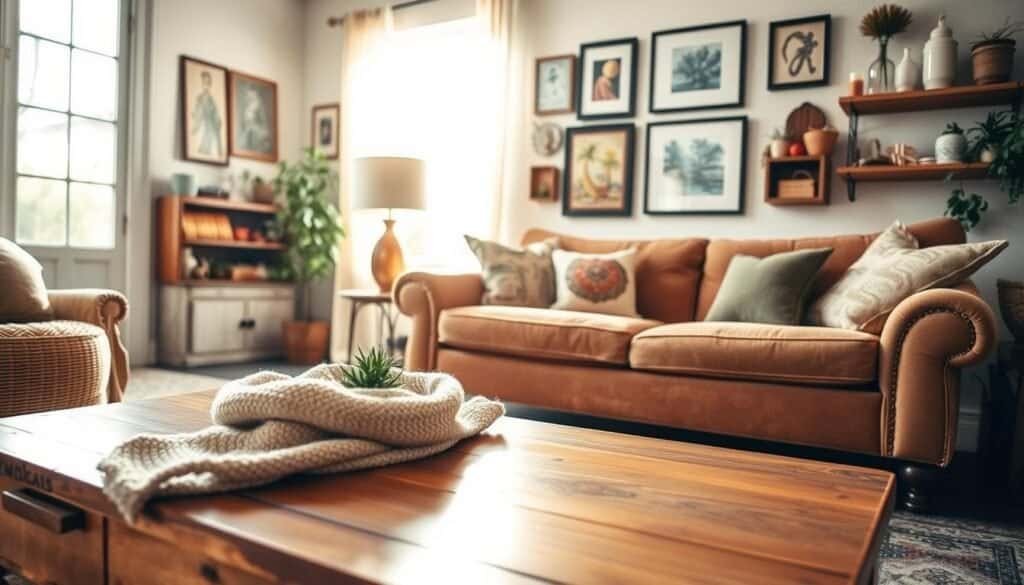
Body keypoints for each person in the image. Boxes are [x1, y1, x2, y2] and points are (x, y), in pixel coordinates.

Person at [191, 71, 222, 157]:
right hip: (205, 128)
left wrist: (218, 120)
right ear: (201, 84)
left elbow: (217, 115)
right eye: (204, 83)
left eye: (208, 83)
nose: (206, 86)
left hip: (213, 129)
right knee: (204, 148)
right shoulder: (199, 98)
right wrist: (195, 126)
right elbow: (196, 114)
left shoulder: (212, 100)